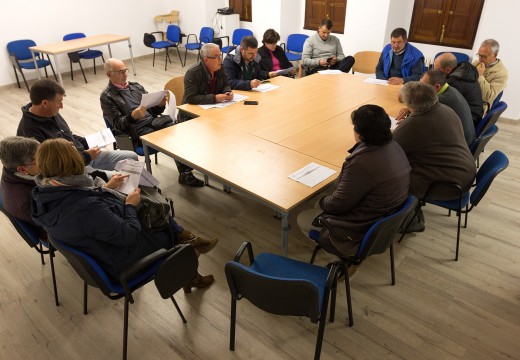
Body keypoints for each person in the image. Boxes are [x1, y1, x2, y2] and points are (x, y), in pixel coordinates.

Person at [31, 138, 216, 291]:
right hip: (122, 262)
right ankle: (189, 269)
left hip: (101, 250)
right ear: (73, 163)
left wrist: (104, 189)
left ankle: (188, 251)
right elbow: (128, 236)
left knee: (153, 210)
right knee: (162, 220)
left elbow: (87, 215)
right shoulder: (85, 207)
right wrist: (129, 205)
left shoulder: (43, 194)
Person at [297, 105, 410, 263]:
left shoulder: (362, 162)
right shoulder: (394, 145)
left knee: (303, 216)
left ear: (359, 133)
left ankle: (344, 261)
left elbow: (337, 205)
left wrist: (323, 200)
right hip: (386, 216)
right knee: (320, 203)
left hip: (362, 226)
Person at [100, 58, 204, 187]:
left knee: (182, 131)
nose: (125, 74)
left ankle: (189, 170)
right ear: (109, 74)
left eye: (125, 70)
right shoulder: (107, 97)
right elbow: (118, 125)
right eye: (120, 72)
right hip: (135, 132)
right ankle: (186, 173)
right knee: (173, 137)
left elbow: (153, 111)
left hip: (154, 123)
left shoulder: (136, 86)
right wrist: (132, 116)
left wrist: (160, 105)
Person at [393, 82, 476, 232]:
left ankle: (411, 220)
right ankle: (412, 212)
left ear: (409, 104)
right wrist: (412, 113)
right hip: (464, 172)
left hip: (449, 185)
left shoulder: (415, 123)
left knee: (389, 177)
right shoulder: (445, 109)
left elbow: (388, 149)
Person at [17, 79, 137, 178]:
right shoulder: (29, 132)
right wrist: (87, 156)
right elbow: (54, 165)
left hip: (84, 156)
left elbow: (68, 135)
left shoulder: (50, 112)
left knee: (131, 157)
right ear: (44, 103)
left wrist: (95, 140)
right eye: (59, 102)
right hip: (73, 170)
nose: (62, 106)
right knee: (125, 177)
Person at [0, 136, 47, 240]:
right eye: (40, 159)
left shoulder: (11, 168)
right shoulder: (25, 201)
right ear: (22, 169)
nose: (46, 160)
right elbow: (53, 224)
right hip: (52, 232)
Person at [420, 69, 475, 146]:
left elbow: (419, 112)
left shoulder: (443, 99)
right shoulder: (450, 89)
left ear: (437, 86)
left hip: (461, 146)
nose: (420, 90)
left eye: (423, 87)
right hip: (465, 139)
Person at [434, 52, 483, 126]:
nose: (436, 74)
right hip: (475, 115)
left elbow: (438, 104)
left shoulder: (454, 82)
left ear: (448, 70)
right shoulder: (465, 72)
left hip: (470, 121)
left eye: (438, 71)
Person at [472, 39, 508, 114]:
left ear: (495, 54)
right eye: (479, 55)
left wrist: (480, 76)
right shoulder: (476, 63)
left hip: (478, 108)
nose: (480, 59)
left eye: (484, 56)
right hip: (466, 98)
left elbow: (488, 97)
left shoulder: (502, 74)